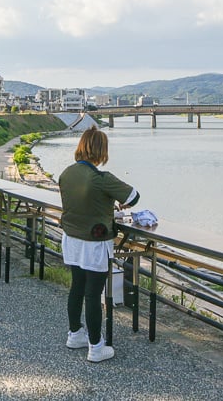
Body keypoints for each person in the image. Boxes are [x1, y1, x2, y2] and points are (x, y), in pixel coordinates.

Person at [58, 126, 140, 363]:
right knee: (93, 295)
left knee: (77, 287)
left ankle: (75, 334)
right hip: (94, 243)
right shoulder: (102, 179)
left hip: (71, 238)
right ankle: (96, 346)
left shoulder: (66, 173)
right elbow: (134, 196)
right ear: (101, 151)